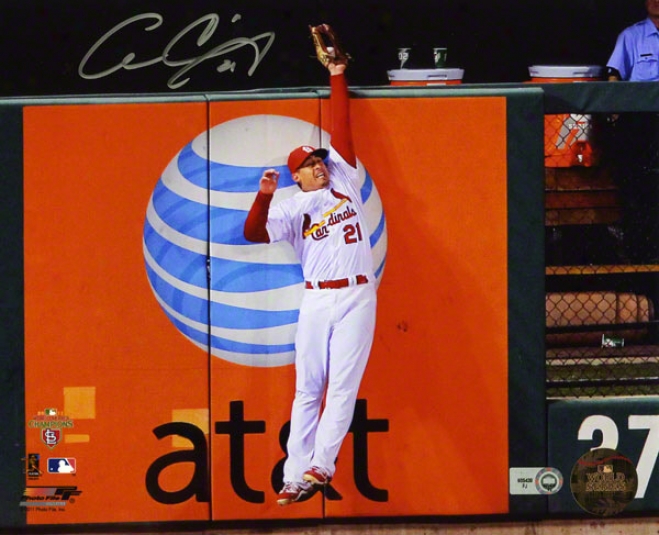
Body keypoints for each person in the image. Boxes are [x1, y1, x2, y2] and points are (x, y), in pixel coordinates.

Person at [243, 24, 377, 506]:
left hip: (358, 293)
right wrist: (260, 198)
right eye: (309, 164)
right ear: (294, 174)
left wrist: (337, 73)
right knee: (308, 389)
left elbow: (342, 128)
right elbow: (253, 233)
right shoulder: (286, 203)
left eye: (319, 160)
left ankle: (322, 464)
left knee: (343, 385)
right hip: (319, 296)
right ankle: (294, 475)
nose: (319, 165)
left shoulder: (343, 178)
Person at [605, 0, 659, 263]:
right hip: (642, 129)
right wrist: (616, 113)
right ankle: (640, 260)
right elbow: (614, 75)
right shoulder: (631, 36)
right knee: (639, 195)